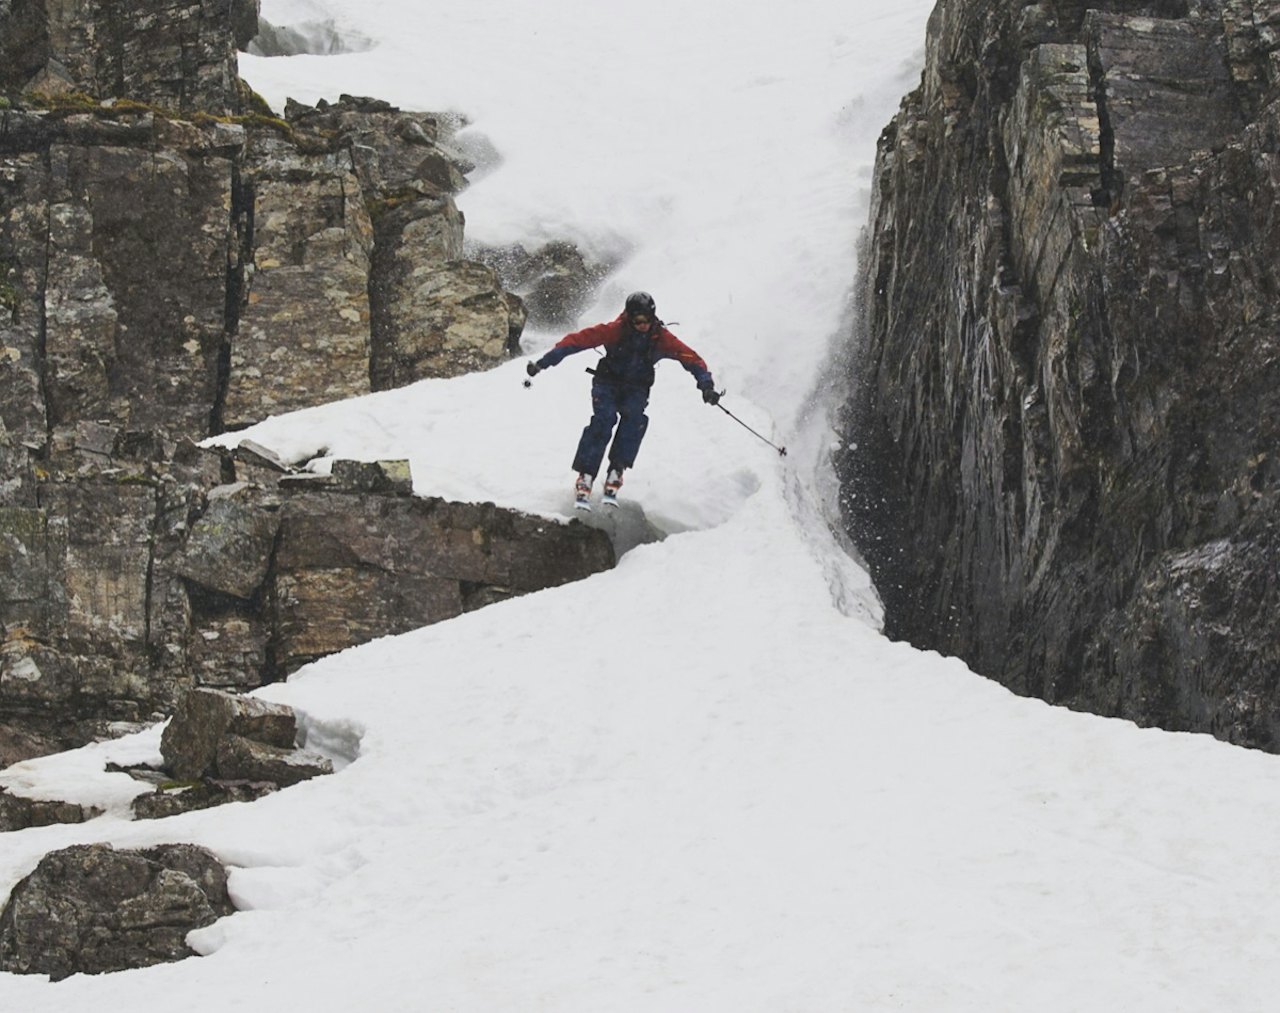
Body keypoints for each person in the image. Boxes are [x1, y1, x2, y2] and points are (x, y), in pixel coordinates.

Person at [526, 291, 720, 508]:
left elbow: (691, 359)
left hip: (636, 388)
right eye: (638, 321)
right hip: (606, 383)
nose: (643, 325)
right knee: (604, 419)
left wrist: (706, 385)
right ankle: (586, 475)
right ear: (629, 318)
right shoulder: (614, 331)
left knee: (634, 419)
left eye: (647, 320)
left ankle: (616, 470)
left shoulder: (661, 339)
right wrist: (543, 363)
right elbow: (575, 342)